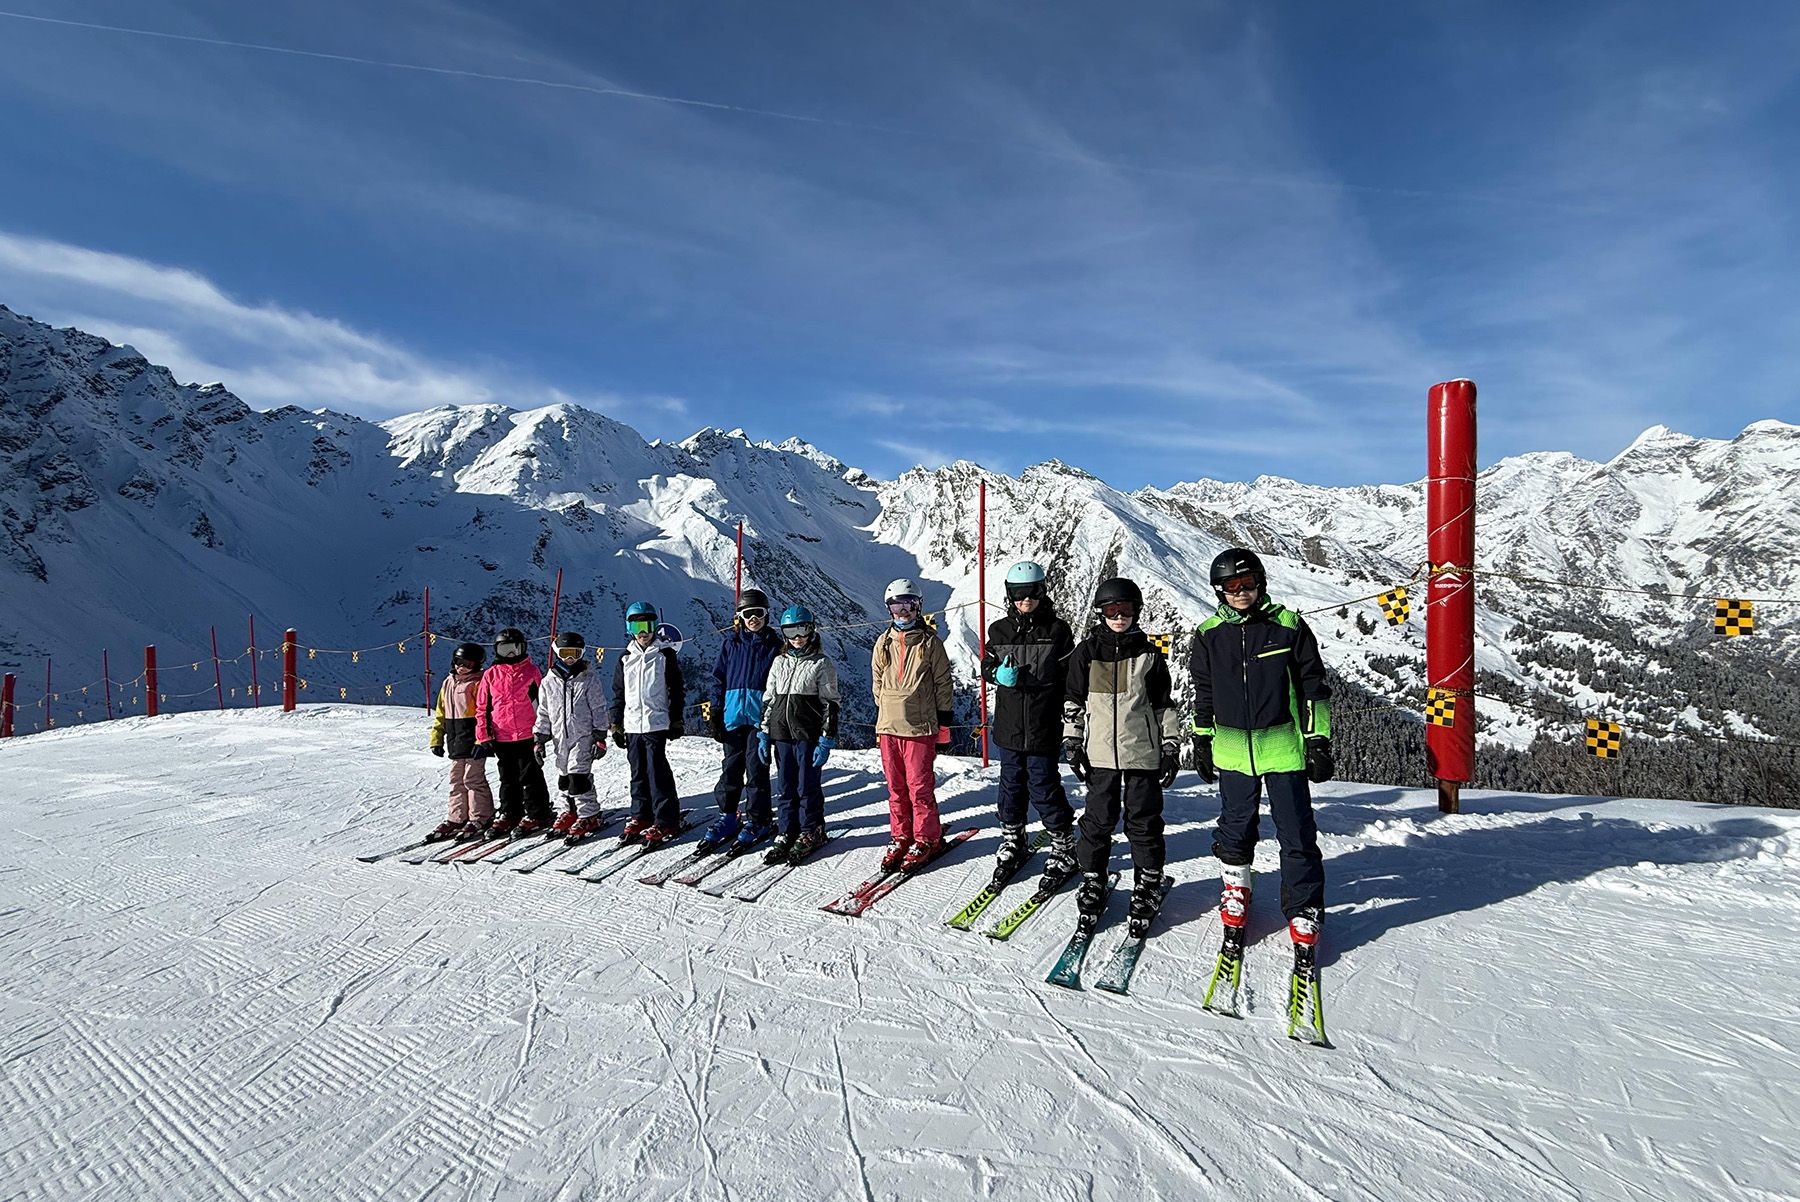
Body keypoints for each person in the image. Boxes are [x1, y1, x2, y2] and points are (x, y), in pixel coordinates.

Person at [1189, 547, 1333, 953]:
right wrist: (1202, 738)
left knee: (1296, 830)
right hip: (1232, 749)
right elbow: (1204, 691)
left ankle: (1304, 906)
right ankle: (1237, 887)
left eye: (1247, 583)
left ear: (1260, 583)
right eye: (1231, 586)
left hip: (1283, 747)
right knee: (1235, 827)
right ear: (1218, 590)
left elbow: (1313, 686)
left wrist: (1318, 740)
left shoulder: (1287, 626)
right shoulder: (1209, 633)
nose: (1240, 592)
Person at [1062, 577, 1180, 933]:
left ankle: (1148, 880)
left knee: (1143, 820)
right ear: (1100, 612)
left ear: (1136, 612)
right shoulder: (1087, 653)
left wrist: (1170, 744)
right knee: (1098, 819)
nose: (1118, 616)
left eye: (1125, 609)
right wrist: (1072, 741)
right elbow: (1073, 701)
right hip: (1099, 753)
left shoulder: (1148, 654)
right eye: (1111, 610)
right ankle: (1093, 877)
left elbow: (1163, 704)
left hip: (1142, 752)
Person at [978, 560, 1078, 882]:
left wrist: (1072, 719)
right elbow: (986, 665)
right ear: (1010, 594)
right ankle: (1013, 838)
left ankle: (1063, 843)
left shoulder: (1057, 631)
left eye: (1033, 592)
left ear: (1043, 591)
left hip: (1043, 726)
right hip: (1009, 727)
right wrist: (997, 674)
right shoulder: (999, 630)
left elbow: (1070, 678)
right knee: (1010, 784)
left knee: (1043, 785)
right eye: (1019, 593)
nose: (1026, 600)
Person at [871, 578, 955, 872]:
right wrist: (887, 709)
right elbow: (877, 682)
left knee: (919, 787)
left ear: (919, 606)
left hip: (919, 728)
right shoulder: (883, 643)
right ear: (889, 609)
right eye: (897, 606)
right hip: (888, 728)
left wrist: (943, 725)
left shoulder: (931, 644)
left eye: (909, 605)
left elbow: (944, 685)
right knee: (896, 787)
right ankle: (901, 836)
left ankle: (926, 838)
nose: (903, 611)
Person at [758, 604, 840, 863]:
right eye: (790, 631)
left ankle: (811, 829)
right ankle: (787, 831)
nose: (796, 637)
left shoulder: (821, 663)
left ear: (811, 630)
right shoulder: (779, 661)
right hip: (781, 734)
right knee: (785, 786)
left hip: (807, 734)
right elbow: (769, 699)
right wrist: (764, 733)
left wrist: (826, 739)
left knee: (806, 785)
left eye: (802, 630)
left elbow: (830, 703)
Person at [705, 588, 783, 853]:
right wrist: (716, 711)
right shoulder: (731, 644)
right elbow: (718, 678)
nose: (753, 619)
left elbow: (780, 684)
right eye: (748, 614)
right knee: (731, 768)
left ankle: (759, 819)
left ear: (766, 615)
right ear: (739, 616)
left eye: (758, 613)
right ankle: (728, 815)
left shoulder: (775, 646)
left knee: (756, 769)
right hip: (733, 717)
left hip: (760, 719)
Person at [609, 600, 686, 844]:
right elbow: (618, 693)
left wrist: (676, 719)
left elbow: (676, 689)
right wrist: (616, 723)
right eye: (638, 627)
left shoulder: (665, 655)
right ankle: (641, 815)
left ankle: (666, 819)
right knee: (637, 772)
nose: (644, 632)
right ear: (629, 628)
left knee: (657, 772)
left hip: (656, 723)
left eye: (648, 626)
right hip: (632, 724)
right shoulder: (625, 658)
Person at [473, 626, 554, 838]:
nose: (510, 654)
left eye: (515, 648)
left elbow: (543, 703)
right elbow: (482, 707)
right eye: (505, 649)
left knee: (531, 775)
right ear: (497, 650)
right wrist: (483, 735)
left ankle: (538, 812)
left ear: (523, 648)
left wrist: (544, 730)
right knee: (507, 777)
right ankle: (510, 812)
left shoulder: (531, 671)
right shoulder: (491, 675)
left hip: (528, 734)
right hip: (502, 735)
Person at [533, 631, 609, 841]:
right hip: (560, 738)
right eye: (565, 653)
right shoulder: (548, 681)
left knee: (579, 777)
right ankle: (569, 810)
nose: (569, 658)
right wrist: (540, 737)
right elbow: (544, 711)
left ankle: (589, 814)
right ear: (557, 652)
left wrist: (600, 735)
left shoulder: (588, 678)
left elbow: (599, 707)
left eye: (574, 653)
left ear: (581, 653)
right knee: (564, 778)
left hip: (583, 736)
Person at [426, 641, 495, 841]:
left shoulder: (479, 683)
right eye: (459, 662)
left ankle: (481, 816)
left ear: (477, 665)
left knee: (472, 779)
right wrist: (437, 739)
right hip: (455, 740)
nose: (462, 667)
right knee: (456, 780)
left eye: (468, 664)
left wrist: (483, 740)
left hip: (474, 740)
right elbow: (441, 714)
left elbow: (486, 713)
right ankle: (457, 817)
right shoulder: (448, 683)